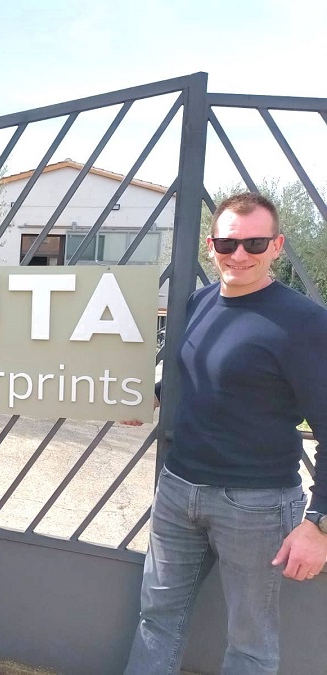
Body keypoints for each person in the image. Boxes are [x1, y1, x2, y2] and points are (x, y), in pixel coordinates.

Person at [124, 192, 327, 674]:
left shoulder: (305, 323)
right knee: (156, 619)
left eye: (254, 243)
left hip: (256, 506)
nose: (239, 255)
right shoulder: (198, 302)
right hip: (178, 491)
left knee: (249, 645)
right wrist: (150, 397)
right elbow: (199, 371)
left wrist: (318, 523)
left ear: (277, 245)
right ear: (210, 245)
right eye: (227, 243)